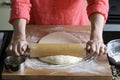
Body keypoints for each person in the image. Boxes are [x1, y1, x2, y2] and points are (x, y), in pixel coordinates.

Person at [7, 0, 109, 58]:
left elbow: (98, 2)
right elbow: (20, 2)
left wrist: (96, 37)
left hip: (75, 26)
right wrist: (19, 36)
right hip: (36, 25)